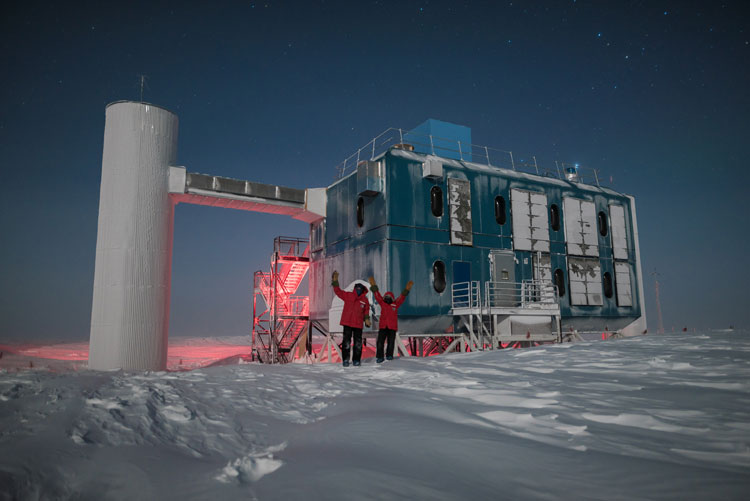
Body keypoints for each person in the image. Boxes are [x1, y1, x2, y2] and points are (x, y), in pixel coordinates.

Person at [368, 276, 413, 363]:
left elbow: (402, 297)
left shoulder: (395, 304)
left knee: (391, 343)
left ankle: (389, 356)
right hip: (383, 326)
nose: (387, 298)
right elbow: (377, 295)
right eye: (386, 297)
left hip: (392, 327)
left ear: (392, 298)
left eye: (389, 297)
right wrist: (373, 285)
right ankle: (380, 357)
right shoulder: (382, 303)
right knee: (380, 342)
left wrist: (406, 290)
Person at [332, 270, 371, 367]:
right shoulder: (348, 295)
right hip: (347, 323)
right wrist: (335, 282)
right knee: (346, 342)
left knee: (358, 343)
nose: (358, 290)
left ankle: (356, 360)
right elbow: (338, 291)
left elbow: (366, 310)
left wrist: (367, 318)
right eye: (357, 288)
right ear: (354, 288)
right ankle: (345, 360)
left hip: (358, 324)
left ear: (363, 290)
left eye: (360, 288)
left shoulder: (365, 300)